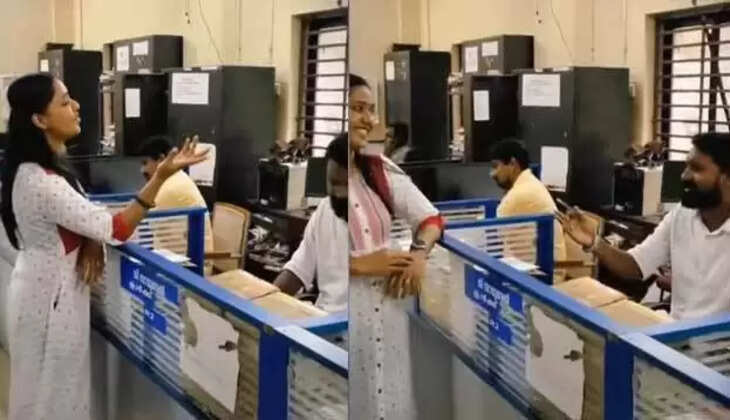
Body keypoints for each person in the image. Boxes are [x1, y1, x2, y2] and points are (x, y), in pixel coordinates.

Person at [0, 73, 207, 420]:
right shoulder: (42, 182)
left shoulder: (40, 171)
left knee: (47, 396)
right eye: (64, 102)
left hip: (42, 293)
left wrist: (91, 238)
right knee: (50, 402)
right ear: (39, 120)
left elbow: (85, 219)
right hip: (49, 304)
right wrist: (160, 177)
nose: (76, 106)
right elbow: (117, 228)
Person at [347, 73, 444, 419]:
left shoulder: (379, 171)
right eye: (358, 109)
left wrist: (419, 254)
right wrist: (357, 264)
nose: (369, 120)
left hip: (388, 309)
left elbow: (431, 219)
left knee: (392, 399)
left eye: (371, 110)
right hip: (346, 312)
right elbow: (308, 255)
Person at [559, 132, 730, 320]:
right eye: (686, 166)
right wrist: (595, 243)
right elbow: (636, 265)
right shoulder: (681, 215)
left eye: (697, 169)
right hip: (675, 330)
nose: (684, 176)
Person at [273, 133, 348, 312]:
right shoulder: (325, 209)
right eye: (333, 183)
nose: (338, 193)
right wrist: (265, 302)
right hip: (321, 318)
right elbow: (297, 270)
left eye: (347, 185)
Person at [490, 139, 567, 280]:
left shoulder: (520, 194)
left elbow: (493, 238)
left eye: (496, 166)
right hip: (545, 270)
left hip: (545, 279)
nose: (492, 174)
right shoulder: (530, 183)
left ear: (512, 164)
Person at [137, 135, 214, 260]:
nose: (142, 170)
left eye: (145, 163)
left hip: (191, 265)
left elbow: (139, 223)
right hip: (177, 257)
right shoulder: (174, 178)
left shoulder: (168, 188)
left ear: (161, 159)